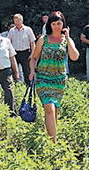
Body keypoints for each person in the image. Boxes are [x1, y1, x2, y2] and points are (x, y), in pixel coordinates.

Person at [29, 11, 79, 142]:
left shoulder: (66, 41)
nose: (57, 26)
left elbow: (74, 57)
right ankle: (53, 143)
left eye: (59, 23)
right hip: (43, 78)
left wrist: (68, 37)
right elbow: (34, 58)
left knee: (55, 110)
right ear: (49, 25)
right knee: (49, 108)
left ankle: (51, 136)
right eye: (54, 23)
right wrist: (32, 71)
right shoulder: (43, 39)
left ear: (63, 24)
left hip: (59, 80)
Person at [7, 13, 36, 86]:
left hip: (25, 52)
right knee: (13, 70)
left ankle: (29, 86)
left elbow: (32, 43)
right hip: (15, 53)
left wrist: (32, 54)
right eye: (15, 21)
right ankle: (14, 85)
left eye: (18, 21)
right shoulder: (12, 31)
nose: (16, 22)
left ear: (21, 20)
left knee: (26, 71)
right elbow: (8, 43)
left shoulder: (28, 30)